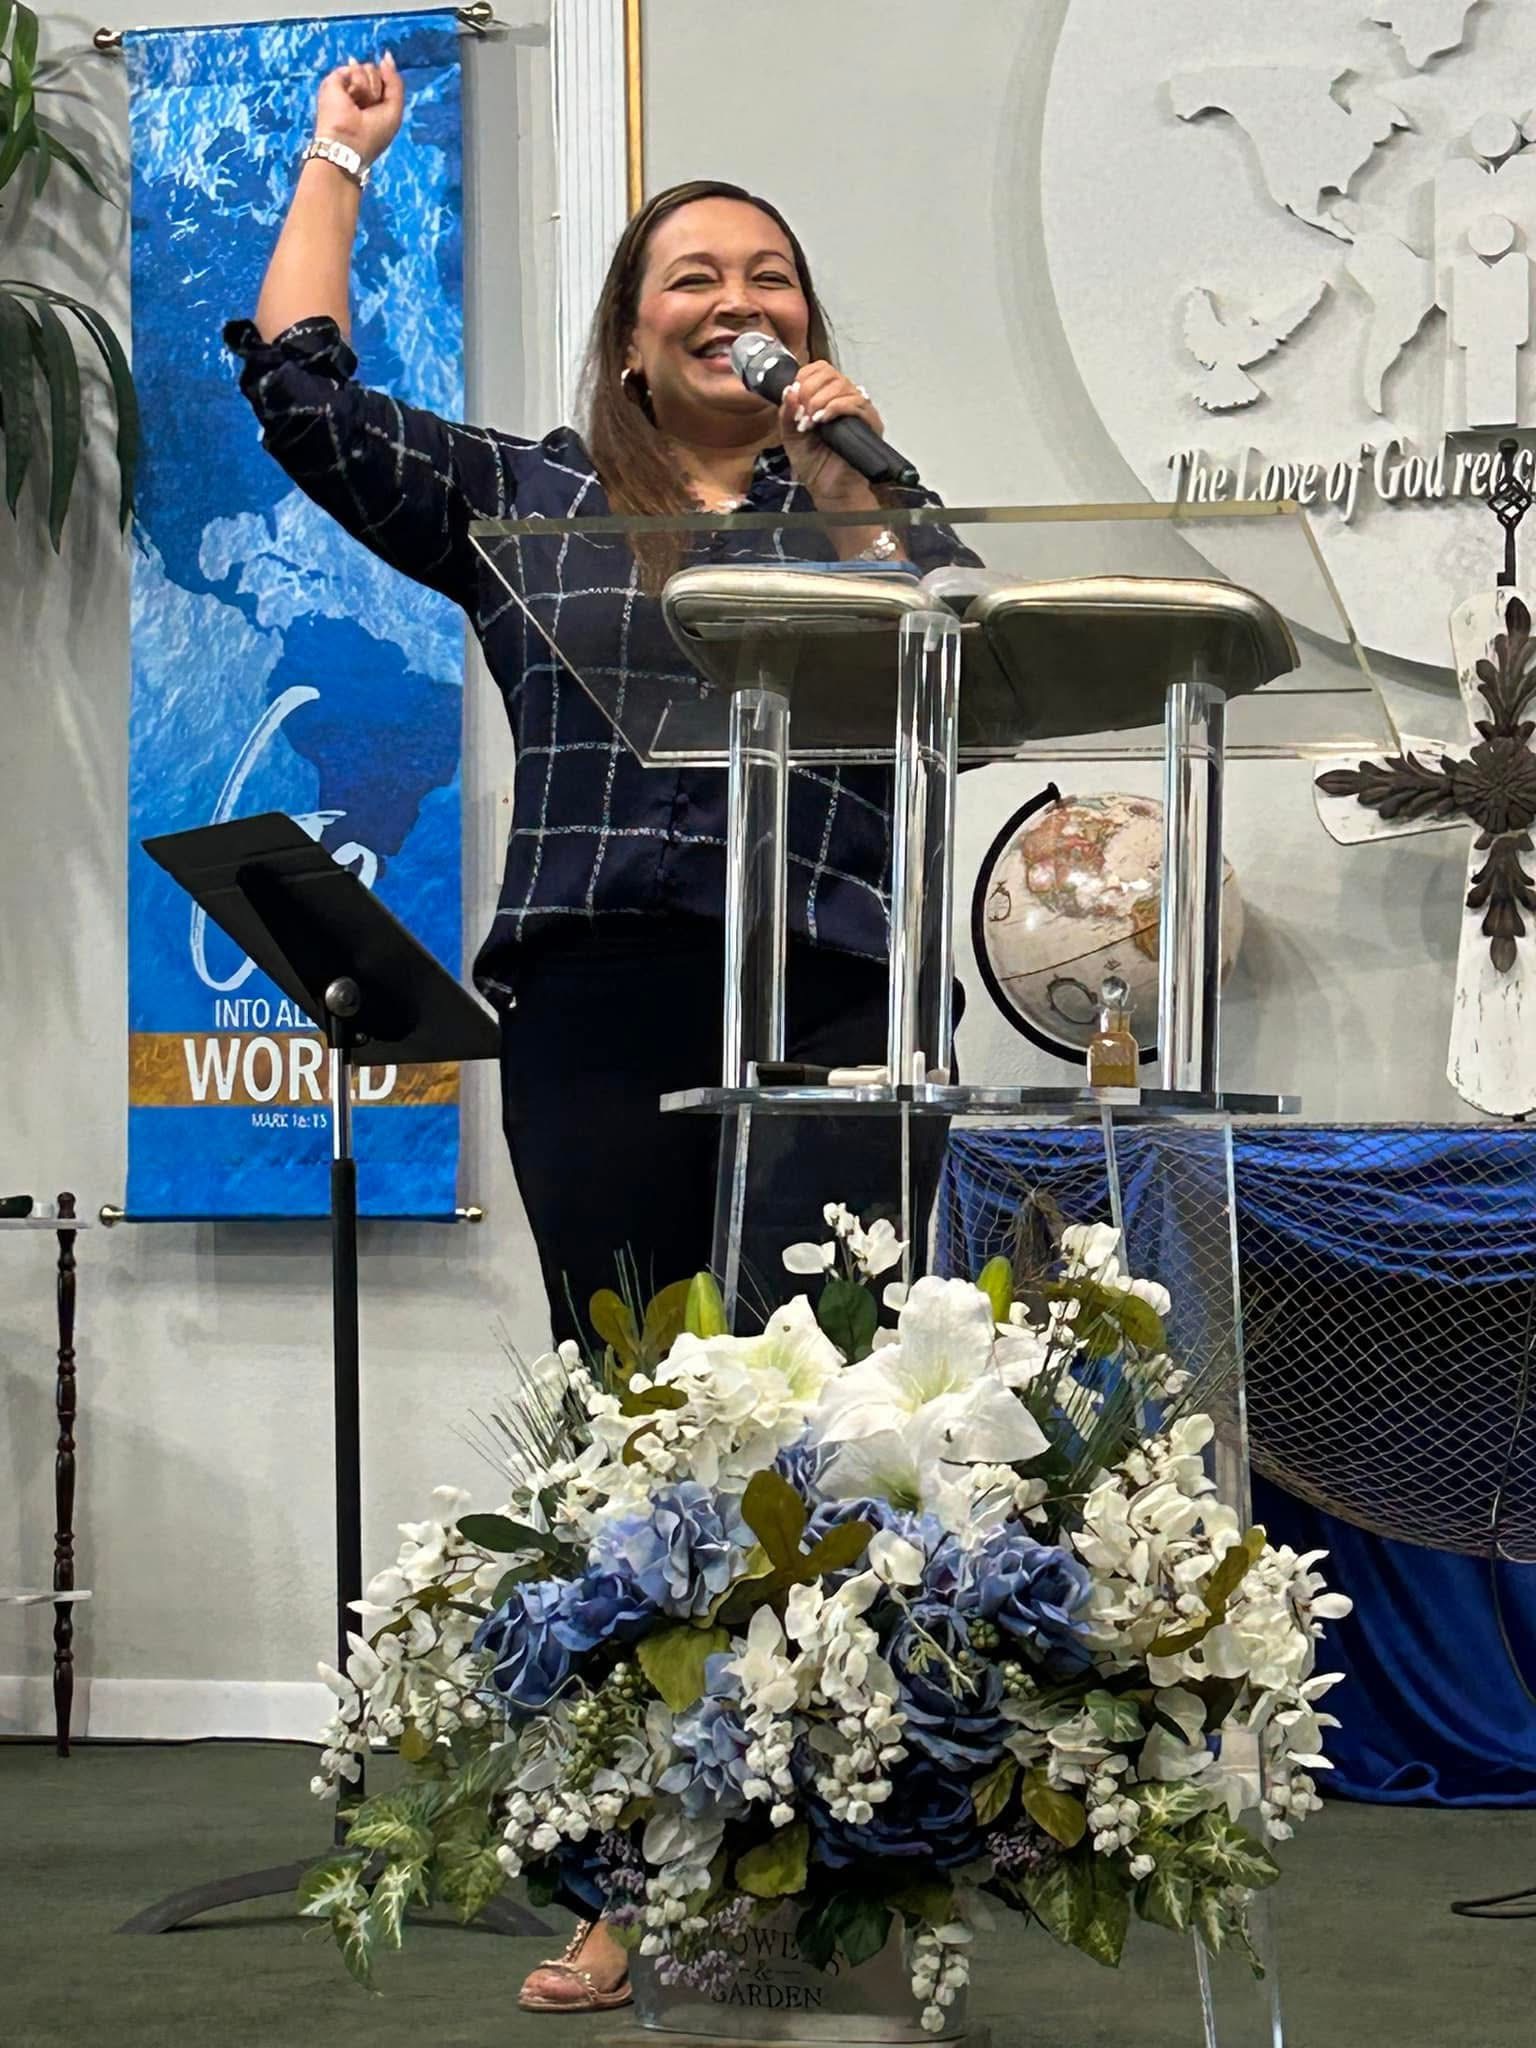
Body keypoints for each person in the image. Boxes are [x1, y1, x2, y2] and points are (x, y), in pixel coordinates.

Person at [230, 54, 970, 2013]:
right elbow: (304, 397)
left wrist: (856, 485)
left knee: (839, 1426)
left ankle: (846, 1855)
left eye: (770, 275)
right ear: (634, 339)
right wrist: (334, 159)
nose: (738, 298)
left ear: (810, 323)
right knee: (638, 1418)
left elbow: (975, 672)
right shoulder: (536, 499)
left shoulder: (871, 503)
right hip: (608, 988)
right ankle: (631, 1866)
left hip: (834, 991)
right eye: (692, 277)